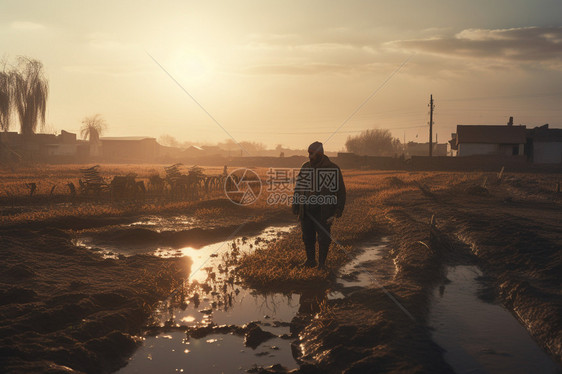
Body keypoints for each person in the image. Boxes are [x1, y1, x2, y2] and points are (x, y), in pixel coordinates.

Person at [292, 141, 346, 270]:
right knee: (307, 237)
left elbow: (341, 192)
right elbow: (298, 187)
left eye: (312, 153)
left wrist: (338, 210)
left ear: (320, 154)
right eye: (309, 153)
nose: (309, 156)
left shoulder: (333, 169)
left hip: (324, 210)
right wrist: (295, 204)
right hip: (306, 209)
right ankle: (310, 261)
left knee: (323, 239)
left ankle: (322, 264)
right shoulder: (305, 167)